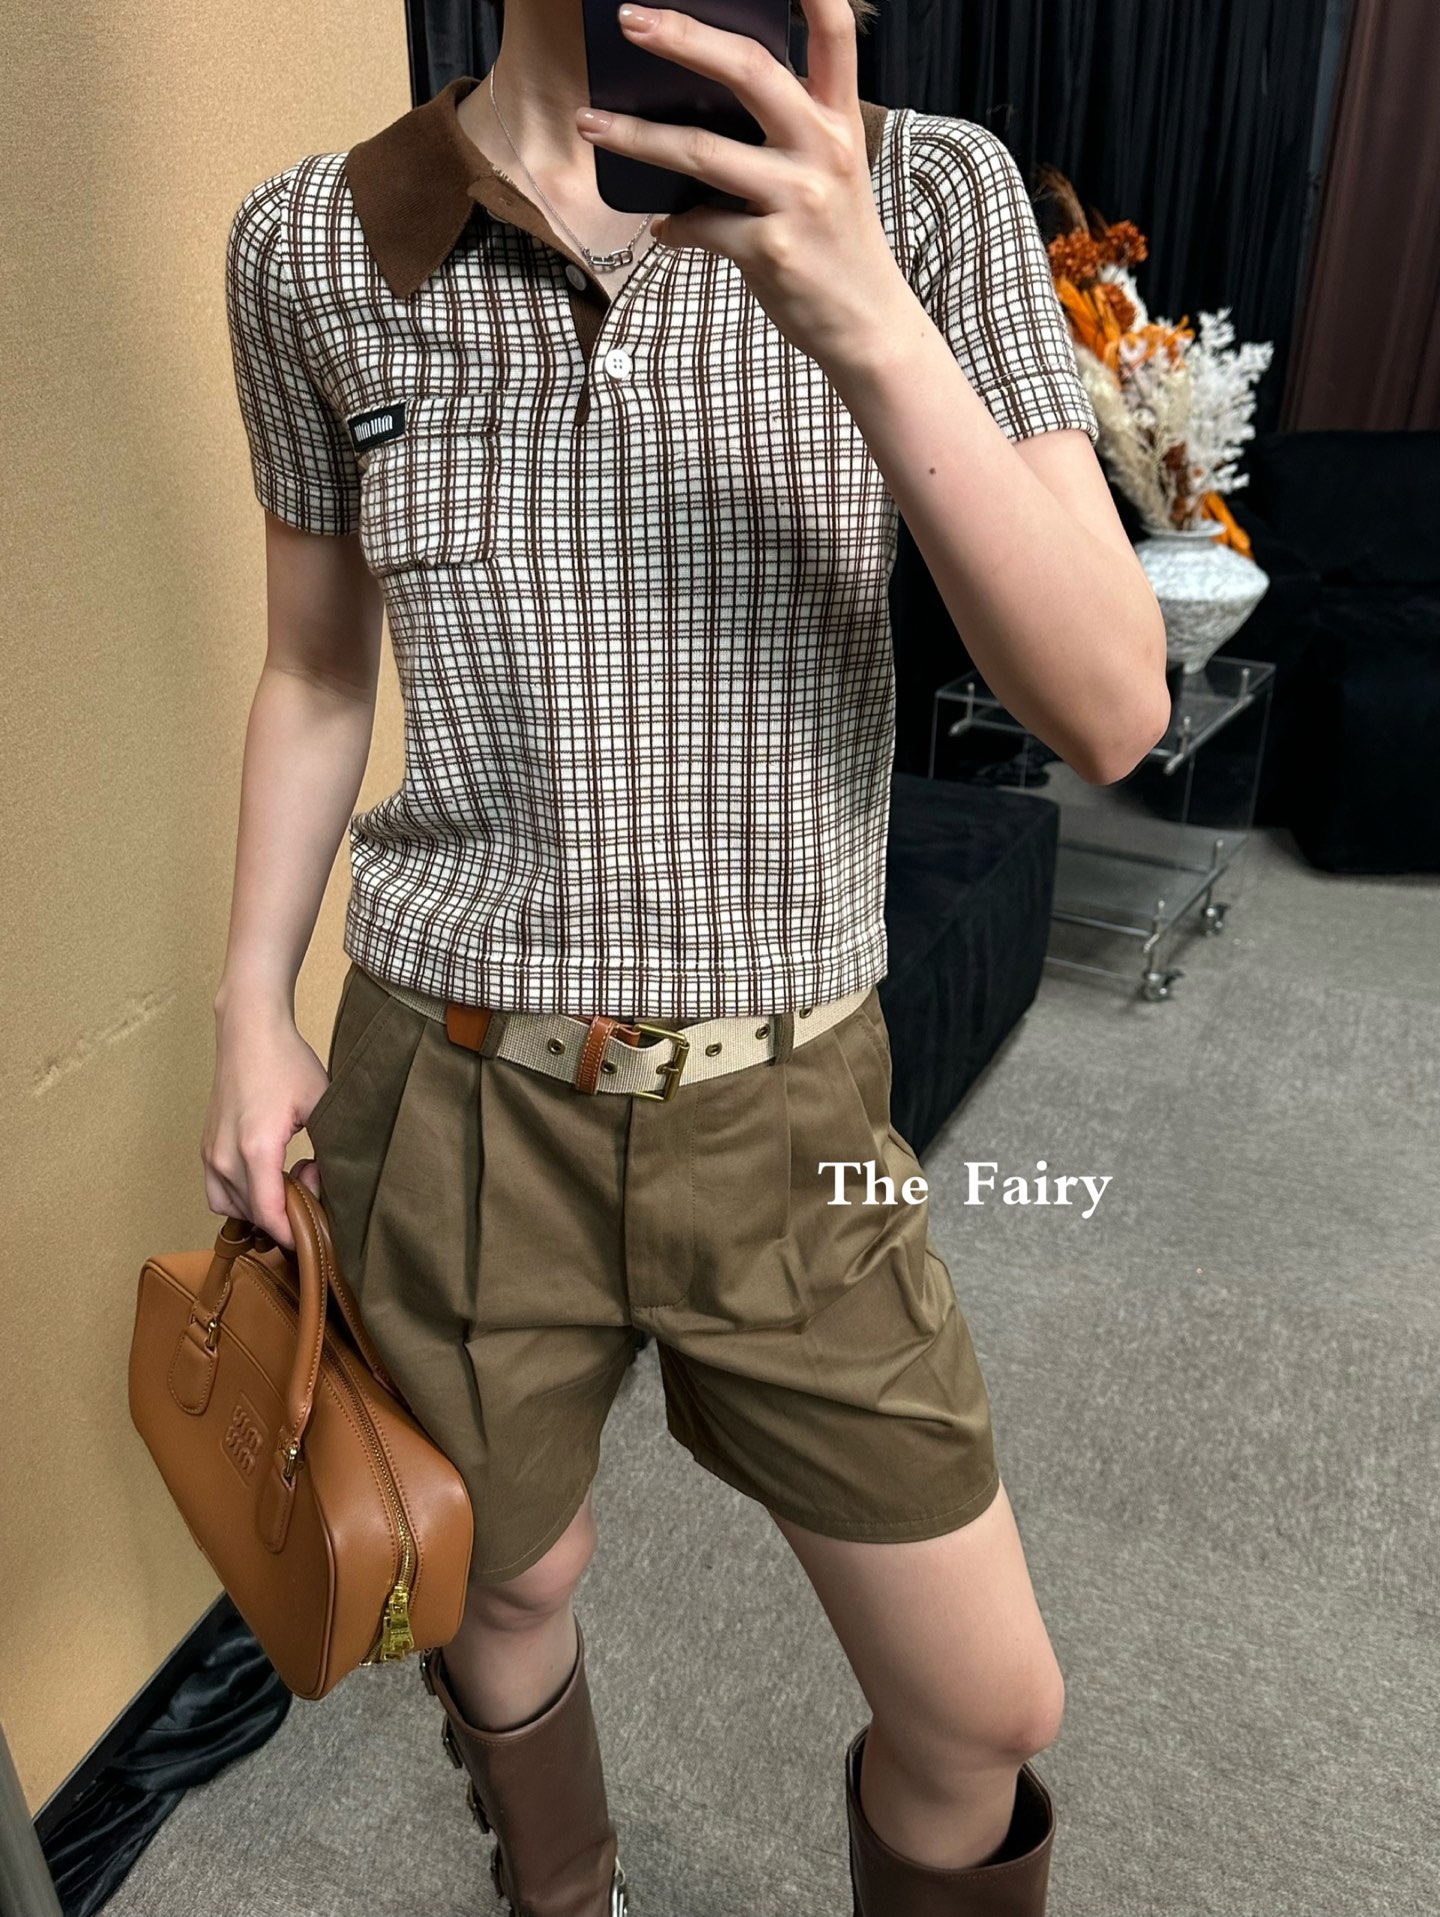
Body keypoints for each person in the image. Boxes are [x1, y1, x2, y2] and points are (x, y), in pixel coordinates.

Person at [204, 0, 1170, 1910]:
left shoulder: (925, 194)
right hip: (454, 1090)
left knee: (983, 1705)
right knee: (511, 1579)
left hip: (791, 1109)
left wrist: (863, 312)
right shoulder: (315, 243)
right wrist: (250, 998)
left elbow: (1112, 707)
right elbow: (315, 670)